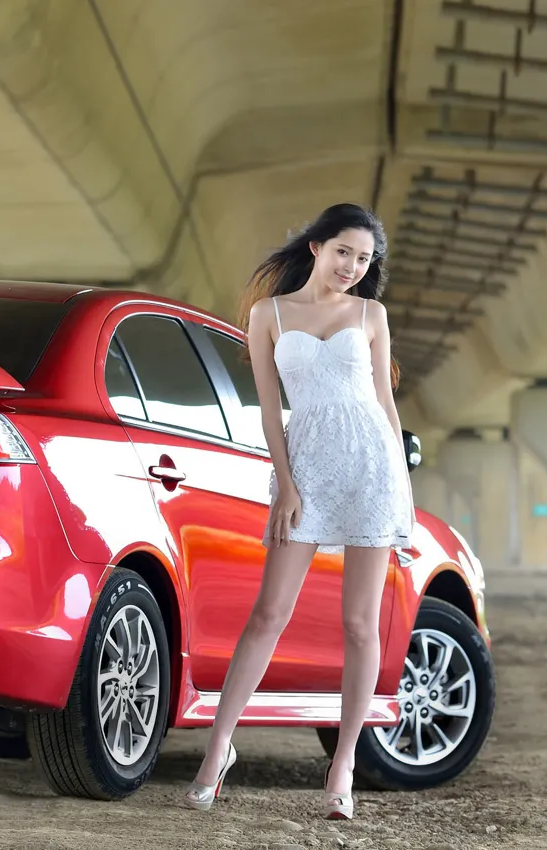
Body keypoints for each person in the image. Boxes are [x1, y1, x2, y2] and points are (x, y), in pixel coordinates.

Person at [181, 203, 414, 820]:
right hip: (305, 466)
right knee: (268, 613)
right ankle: (218, 750)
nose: (352, 267)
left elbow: (385, 405)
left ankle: (342, 768)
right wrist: (285, 485)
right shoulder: (269, 315)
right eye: (344, 252)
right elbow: (268, 411)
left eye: (364, 259)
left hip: (370, 468)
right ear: (316, 247)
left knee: (361, 624)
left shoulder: (370, 314)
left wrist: (403, 492)